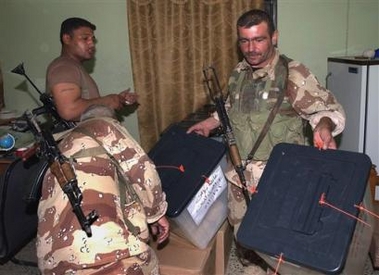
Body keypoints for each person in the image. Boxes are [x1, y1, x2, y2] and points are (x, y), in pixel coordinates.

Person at [187, 9, 345, 274]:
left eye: (258, 39)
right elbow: (230, 107)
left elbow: (327, 110)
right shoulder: (239, 72)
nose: (251, 49)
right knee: (246, 241)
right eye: (244, 41)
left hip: (278, 181)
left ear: (274, 37)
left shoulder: (293, 74)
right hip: (239, 176)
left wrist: (325, 127)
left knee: (279, 250)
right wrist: (210, 122)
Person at [36, 105, 169, 274]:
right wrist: (156, 214)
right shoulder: (103, 125)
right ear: (113, 119)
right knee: (147, 264)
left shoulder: (62, 146)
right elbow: (144, 172)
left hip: (52, 262)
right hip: (106, 252)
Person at [45, 17, 137, 122]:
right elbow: (69, 111)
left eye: (92, 39)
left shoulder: (74, 67)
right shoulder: (64, 67)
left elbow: (87, 106)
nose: (92, 44)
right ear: (67, 39)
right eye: (85, 38)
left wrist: (118, 100)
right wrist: (107, 101)